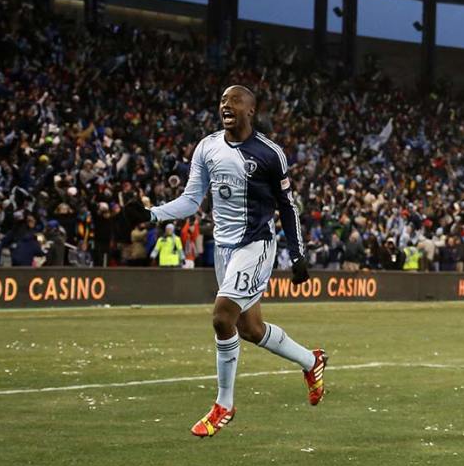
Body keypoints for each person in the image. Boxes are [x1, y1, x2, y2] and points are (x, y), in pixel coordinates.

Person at [127, 85, 328, 438]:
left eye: (234, 100)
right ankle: (311, 362)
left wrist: (297, 254)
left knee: (222, 318)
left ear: (251, 110)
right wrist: (151, 214)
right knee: (250, 329)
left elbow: (287, 206)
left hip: (256, 245)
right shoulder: (207, 147)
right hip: (224, 250)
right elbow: (191, 200)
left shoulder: (270, 154)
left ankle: (224, 404)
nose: (226, 105)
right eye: (222, 100)